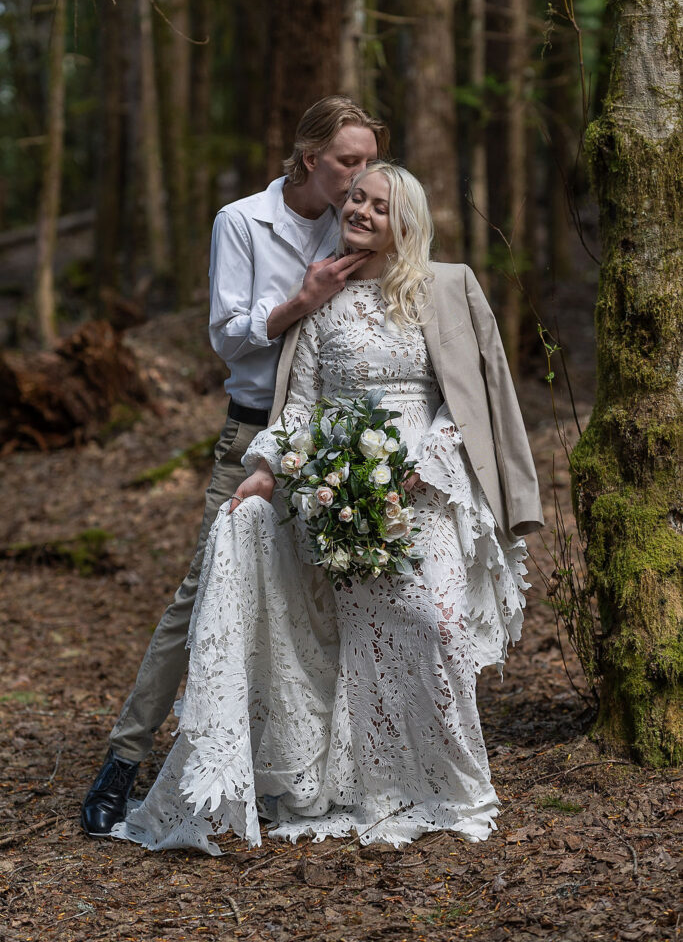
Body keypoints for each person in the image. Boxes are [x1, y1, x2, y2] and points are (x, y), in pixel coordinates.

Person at [110, 161, 544, 853]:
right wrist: (262, 472)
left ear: (406, 224)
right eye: (357, 199)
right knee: (350, 635)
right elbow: (301, 408)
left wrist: (417, 467)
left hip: (422, 486)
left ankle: (445, 782)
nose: (362, 211)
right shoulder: (321, 305)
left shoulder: (446, 288)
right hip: (336, 491)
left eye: (379, 205)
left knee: (433, 624)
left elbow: (467, 402)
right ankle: (356, 780)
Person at [81, 97, 389, 837]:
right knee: (199, 601)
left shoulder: (360, 219)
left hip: (331, 443)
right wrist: (300, 302)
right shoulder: (241, 220)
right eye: (348, 160)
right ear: (309, 155)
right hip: (251, 436)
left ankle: (329, 763)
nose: (359, 177)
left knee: (333, 604)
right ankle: (123, 762)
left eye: (368, 161)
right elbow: (227, 339)